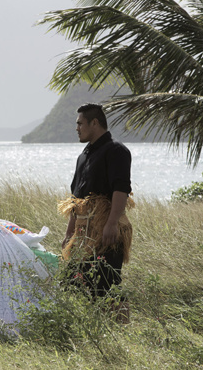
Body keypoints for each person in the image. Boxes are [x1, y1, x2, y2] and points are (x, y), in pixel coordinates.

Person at [59, 103, 133, 297]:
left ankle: (119, 326)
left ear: (94, 123)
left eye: (80, 124)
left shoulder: (116, 150)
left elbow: (121, 189)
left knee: (106, 287)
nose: (77, 128)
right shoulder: (83, 157)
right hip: (83, 236)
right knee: (72, 286)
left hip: (106, 234)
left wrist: (111, 223)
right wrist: (69, 234)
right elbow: (77, 200)